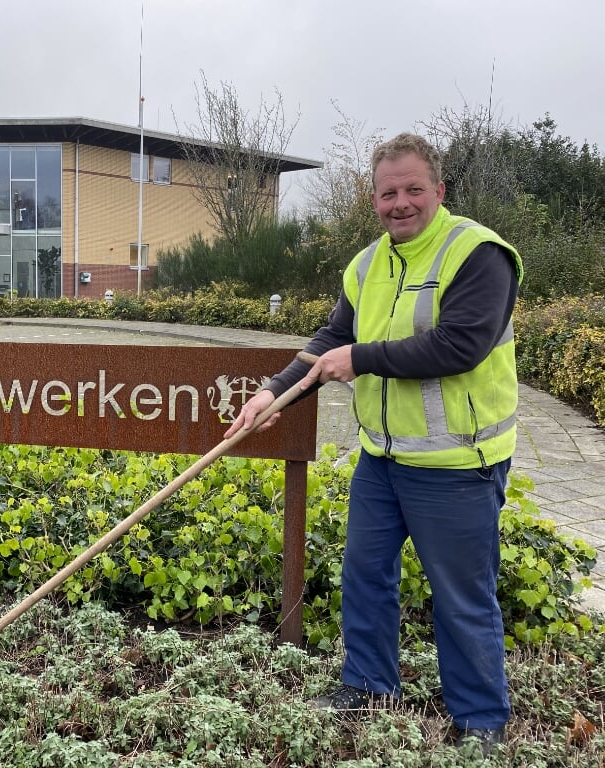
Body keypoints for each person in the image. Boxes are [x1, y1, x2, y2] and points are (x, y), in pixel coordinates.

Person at [225, 133, 522, 755]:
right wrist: (271, 395)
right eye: (389, 192)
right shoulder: (366, 265)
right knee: (364, 575)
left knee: (462, 598)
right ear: (374, 198)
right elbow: (330, 338)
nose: (401, 202)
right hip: (382, 461)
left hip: (455, 466)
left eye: (415, 189)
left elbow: (459, 345)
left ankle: (481, 721)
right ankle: (367, 687)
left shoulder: (478, 254)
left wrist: (360, 359)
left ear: (439, 191)